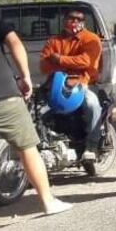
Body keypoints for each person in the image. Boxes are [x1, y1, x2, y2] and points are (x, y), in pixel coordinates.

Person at [0, 13, 72, 231]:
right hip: (4, 98)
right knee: (28, 149)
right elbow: (15, 42)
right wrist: (25, 76)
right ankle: (48, 202)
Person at [40, 9, 103, 162]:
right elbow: (44, 65)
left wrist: (60, 60)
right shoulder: (53, 41)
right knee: (38, 111)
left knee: (92, 104)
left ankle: (91, 146)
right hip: (56, 84)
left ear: (83, 22)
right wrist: (67, 66)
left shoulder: (91, 39)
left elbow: (86, 61)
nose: (74, 21)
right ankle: (43, 145)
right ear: (64, 20)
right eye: (71, 18)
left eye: (79, 19)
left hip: (83, 83)